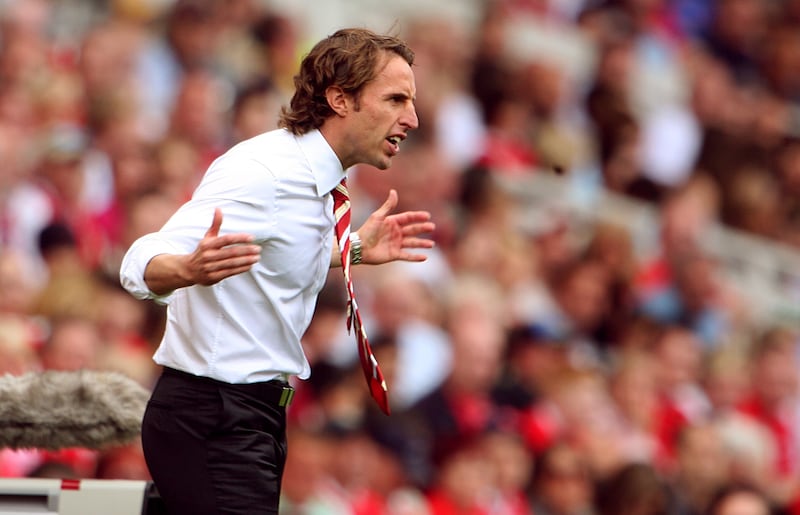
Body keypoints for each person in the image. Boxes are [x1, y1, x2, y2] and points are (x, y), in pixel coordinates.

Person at [119, 27, 434, 515]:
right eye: (396, 98)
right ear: (339, 99)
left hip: (250, 417)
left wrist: (350, 252)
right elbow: (140, 259)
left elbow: (277, 256)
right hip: (213, 416)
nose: (412, 118)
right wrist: (187, 267)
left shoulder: (317, 178)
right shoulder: (265, 172)